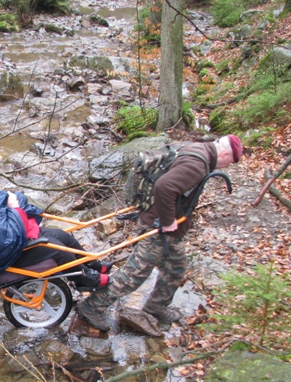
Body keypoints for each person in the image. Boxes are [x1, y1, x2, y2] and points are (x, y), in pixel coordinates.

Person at [76, 135, 244, 331]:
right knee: (135, 274)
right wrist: (168, 221)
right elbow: (164, 187)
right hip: (157, 227)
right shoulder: (197, 164)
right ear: (224, 154)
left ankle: (156, 306)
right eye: (229, 162)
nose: (226, 167)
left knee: (176, 267)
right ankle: (92, 306)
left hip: (167, 229)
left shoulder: (200, 149)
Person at [0, 183, 110, 286]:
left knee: (62, 235)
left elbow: (8, 220)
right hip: (6, 259)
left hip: (13, 246)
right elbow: (11, 234)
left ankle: (91, 264)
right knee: (59, 250)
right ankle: (85, 279)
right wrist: (14, 207)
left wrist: (13, 203)